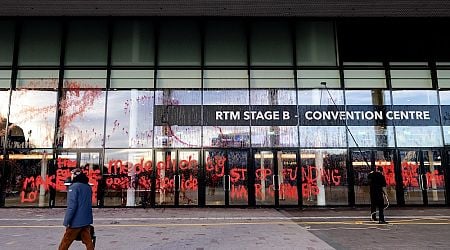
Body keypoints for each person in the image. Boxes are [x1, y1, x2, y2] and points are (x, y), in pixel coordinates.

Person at [58, 168, 94, 250]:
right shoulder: (87, 187)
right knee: (88, 241)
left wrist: (66, 221)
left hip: (76, 221)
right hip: (86, 219)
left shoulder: (74, 187)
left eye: (72, 174)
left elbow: (72, 206)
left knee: (65, 242)